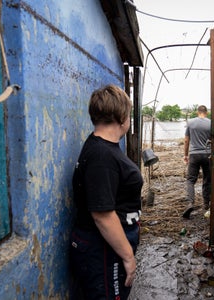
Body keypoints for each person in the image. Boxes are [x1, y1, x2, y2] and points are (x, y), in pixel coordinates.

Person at [69, 84, 143, 299]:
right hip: (103, 248)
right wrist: (128, 257)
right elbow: (102, 215)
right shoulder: (102, 155)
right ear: (122, 116)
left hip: (108, 246)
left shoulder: (104, 148)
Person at [182, 105, 211, 219]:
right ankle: (206, 204)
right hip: (207, 154)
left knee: (190, 180)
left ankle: (190, 203)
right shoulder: (211, 123)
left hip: (194, 154)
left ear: (197, 112)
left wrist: (185, 155)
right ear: (206, 113)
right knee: (207, 179)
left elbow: (186, 140)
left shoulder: (190, 122)